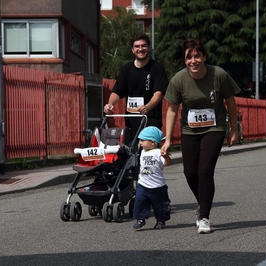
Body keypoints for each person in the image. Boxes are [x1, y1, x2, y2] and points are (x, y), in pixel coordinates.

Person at [160, 38, 240, 234]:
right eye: (189, 57)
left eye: (197, 56)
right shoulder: (179, 79)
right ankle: (202, 203)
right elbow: (171, 110)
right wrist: (168, 138)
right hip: (189, 129)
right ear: (184, 60)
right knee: (190, 173)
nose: (193, 61)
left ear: (204, 57)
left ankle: (204, 215)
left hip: (215, 127)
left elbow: (230, 102)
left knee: (205, 169)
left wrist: (233, 129)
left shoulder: (218, 74)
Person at [103, 33, 169, 139]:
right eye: (137, 46)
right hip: (131, 120)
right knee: (131, 152)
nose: (140, 49)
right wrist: (110, 104)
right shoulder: (127, 69)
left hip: (151, 119)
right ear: (132, 50)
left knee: (147, 152)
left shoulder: (157, 68)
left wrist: (148, 106)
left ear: (148, 47)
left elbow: (158, 93)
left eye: (143, 46)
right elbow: (117, 91)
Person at [133, 126, 171, 230]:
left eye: (142, 140)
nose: (140, 143)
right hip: (143, 184)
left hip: (158, 185)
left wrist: (166, 157)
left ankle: (160, 221)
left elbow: (167, 164)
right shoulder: (143, 152)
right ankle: (140, 219)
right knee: (140, 201)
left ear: (153, 142)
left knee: (159, 205)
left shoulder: (159, 152)